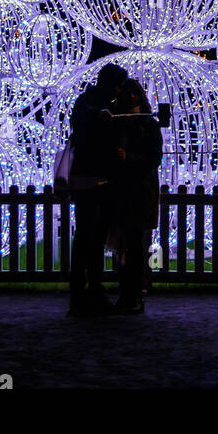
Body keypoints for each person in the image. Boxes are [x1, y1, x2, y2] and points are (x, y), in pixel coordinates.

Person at [67, 62, 127, 317]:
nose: (118, 91)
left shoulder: (104, 105)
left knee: (96, 238)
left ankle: (92, 289)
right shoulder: (89, 105)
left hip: (100, 180)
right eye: (117, 85)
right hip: (90, 179)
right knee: (86, 237)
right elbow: (83, 134)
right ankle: (82, 293)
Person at [111, 77, 164, 315]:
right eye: (127, 93)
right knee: (122, 244)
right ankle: (126, 290)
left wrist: (128, 159)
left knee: (137, 244)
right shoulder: (116, 123)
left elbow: (154, 158)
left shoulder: (148, 124)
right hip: (121, 191)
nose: (130, 97)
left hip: (141, 191)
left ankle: (136, 291)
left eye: (134, 93)